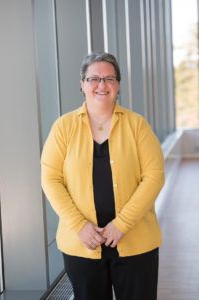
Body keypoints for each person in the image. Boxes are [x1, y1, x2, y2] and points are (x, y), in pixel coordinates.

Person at [41, 52, 165, 300]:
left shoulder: (137, 125)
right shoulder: (63, 127)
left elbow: (154, 176)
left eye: (109, 78)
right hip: (82, 243)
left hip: (135, 241)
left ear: (118, 85)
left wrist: (122, 224)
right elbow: (51, 179)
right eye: (94, 78)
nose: (102, 84)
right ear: (82, 84)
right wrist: (79, 225)